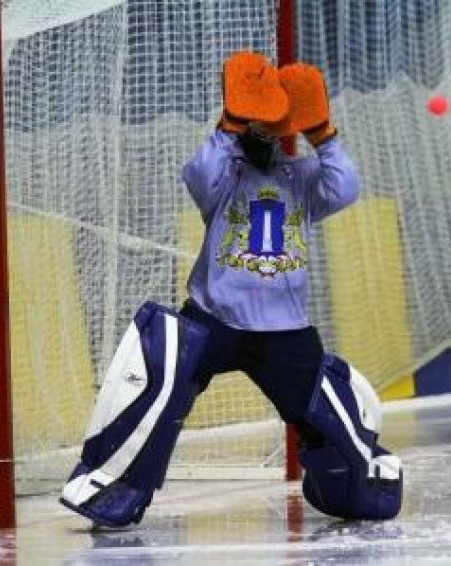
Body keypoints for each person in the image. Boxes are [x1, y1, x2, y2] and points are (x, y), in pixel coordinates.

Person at [60, 51, 402, 528]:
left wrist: (322, 133)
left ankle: (356, 486)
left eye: (272, 128)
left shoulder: (300, 178)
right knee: (162, 386)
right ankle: (113, 489)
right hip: (214, 318)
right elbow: (197, 173)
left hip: (284, 330)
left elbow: (344, 188)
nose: (264, 137)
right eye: (256, 127)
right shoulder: (226, 175)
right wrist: (231, 123)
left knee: (315, 412)